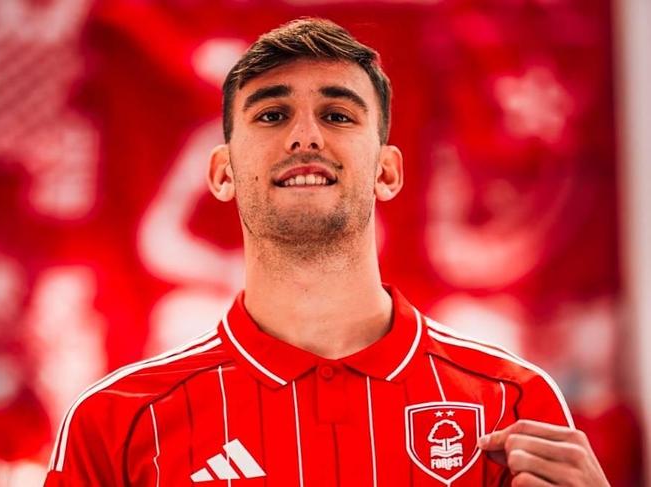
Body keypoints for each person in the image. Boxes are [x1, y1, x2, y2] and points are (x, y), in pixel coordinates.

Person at [44, 18, 610, 486]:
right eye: (272, 115)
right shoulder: (115, 424)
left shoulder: (513, 403)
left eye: (338, 115)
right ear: (221, 172)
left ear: (387, 172)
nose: (306, 137)